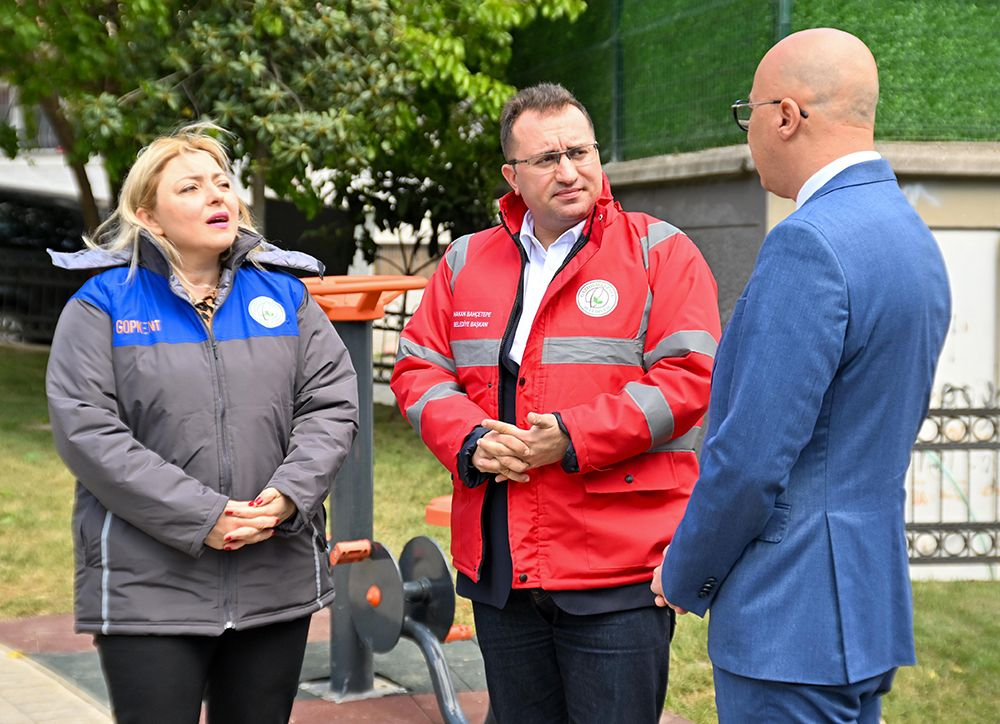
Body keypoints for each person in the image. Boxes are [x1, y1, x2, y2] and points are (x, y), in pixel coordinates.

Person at [391, 83, 720, 723]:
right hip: (503, 565)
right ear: (512, 176)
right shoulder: (465, 261)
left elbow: (689, 380)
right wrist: (471, 440)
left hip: (616, 567)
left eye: (580, 151)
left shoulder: (660, 252)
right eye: (546, 159)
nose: (569, 171)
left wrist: (570, 436)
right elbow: (419, 368)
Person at [652, 28, 951, 722]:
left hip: (788, 616)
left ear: (785, 116)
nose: (747, 131)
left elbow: (751, 458)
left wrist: (682, 568)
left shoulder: (807, 243)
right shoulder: (910, 236)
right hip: (863, 603)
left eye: (747, 112)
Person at [45, 124, 359, 724]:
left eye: (222, 183)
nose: (217, 196)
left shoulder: (288, 299)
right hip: (151, 590)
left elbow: (331, 403)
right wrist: (204, 516)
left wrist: (288, 495)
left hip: (274, 578)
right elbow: (89, 431)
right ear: (150, 217)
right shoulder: (101, 305)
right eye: (190, 187)